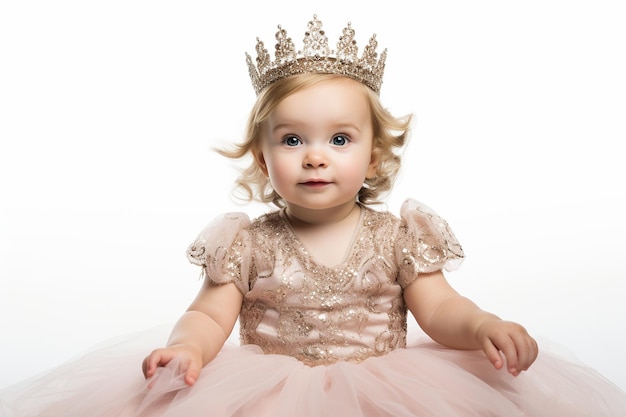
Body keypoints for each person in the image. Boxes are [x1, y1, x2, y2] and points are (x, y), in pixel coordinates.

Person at [1, 14, 625, 417]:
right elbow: (208, 315)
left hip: (388, 390)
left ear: (375, 151)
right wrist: (187, 350)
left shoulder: (400, 235)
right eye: (293, 140)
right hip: (265, 395)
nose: (315, 157)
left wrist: (483, 322)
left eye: (340, 139)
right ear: (262, 154)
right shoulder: (245, 243)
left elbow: (439, 309)